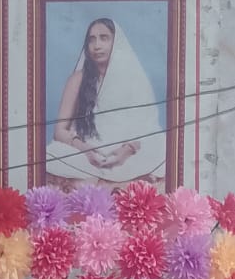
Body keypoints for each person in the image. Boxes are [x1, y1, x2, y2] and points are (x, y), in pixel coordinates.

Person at [45, 16, 166, 184]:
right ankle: (109, 176)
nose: (97, 45)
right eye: (91, 39)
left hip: (125, 154)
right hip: (85, 154)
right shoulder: (77, 79)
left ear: (117, 43)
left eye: (104, 38)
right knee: (50, 154)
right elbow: (59, 131)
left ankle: (111, 176)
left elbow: (146, 127)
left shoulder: (133, 79)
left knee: (162, 144)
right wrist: (86, 151)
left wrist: (125, 151)